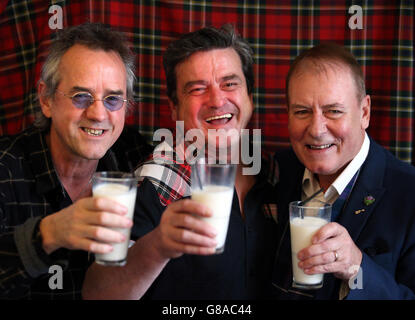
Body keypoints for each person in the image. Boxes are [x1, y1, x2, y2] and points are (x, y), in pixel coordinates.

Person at [82, 24, 279, 300]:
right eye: (198, 89)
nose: (217, 100)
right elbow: (98, 295)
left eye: (230, 84)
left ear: (249, 97)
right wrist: (158, 245)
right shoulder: (150, 186)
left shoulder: (276, 176)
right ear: (174, 107)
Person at [0, 22, 152, 299]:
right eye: (81, 96)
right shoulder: (5, 168)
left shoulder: (134, 156)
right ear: (46, 100)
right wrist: (46, 235)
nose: (98, 114)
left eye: (112, 99)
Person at [271, 42, 415, 299]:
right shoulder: (275, 172)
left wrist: (357, 268)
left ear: (364, 113)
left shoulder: (409, 194)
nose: (316, 130)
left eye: (333, 111)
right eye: (302, 111)